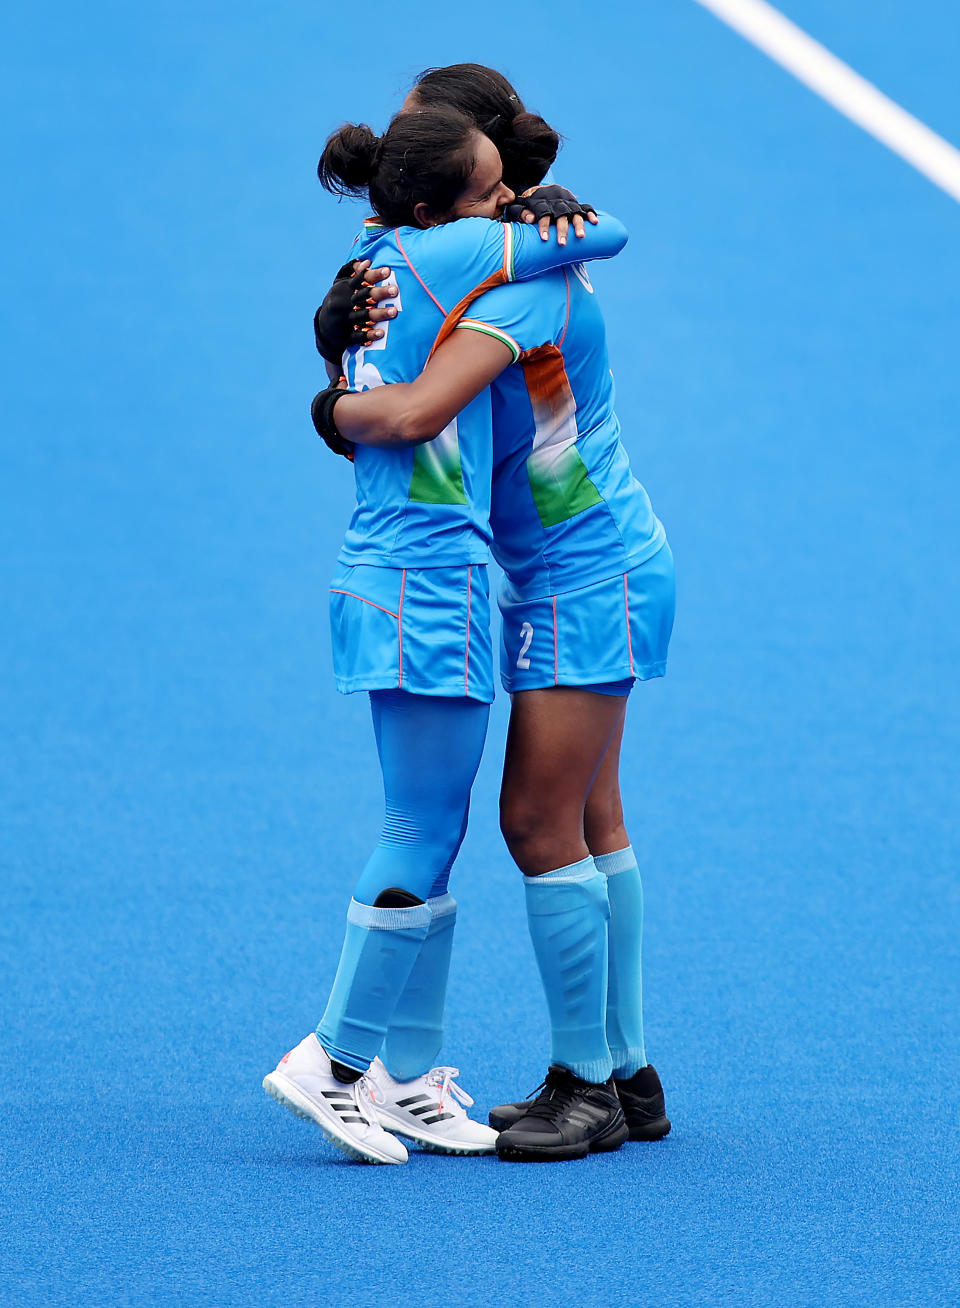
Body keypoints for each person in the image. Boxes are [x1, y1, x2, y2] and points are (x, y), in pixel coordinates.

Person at [263, 105, 626, 1165]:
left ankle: (409, 1079)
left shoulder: (370, 265)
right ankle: (333, 1061)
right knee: (421, 827)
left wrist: (330, 405)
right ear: (436, 209)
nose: (507, 197)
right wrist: (555, 214)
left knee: (431, 823)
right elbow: (601, 232)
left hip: (390, 564)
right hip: (432, 575)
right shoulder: (454, 253)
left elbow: (358, 397)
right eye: (489, 188)